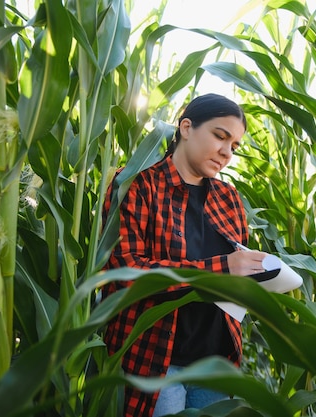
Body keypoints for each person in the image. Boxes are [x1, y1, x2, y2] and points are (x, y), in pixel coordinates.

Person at [102, 93, 268, 417]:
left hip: (217, 365)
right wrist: (222, 269)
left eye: (234, 146)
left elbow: (236, 271)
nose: (226, 153)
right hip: (157, 364)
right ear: (187, 127)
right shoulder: (137, 184)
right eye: (220, 136)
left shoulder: (229, 199)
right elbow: (126, 272)